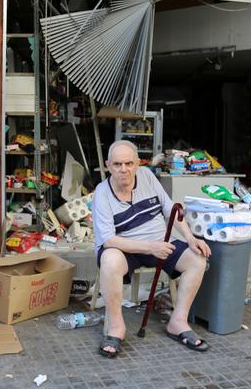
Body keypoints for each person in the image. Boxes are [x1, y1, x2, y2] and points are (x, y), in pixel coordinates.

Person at [92, 140, 212, 358]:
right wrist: (150, 248)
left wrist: (190, 237)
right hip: (125, 248)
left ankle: (178, 322)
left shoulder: (147, 176)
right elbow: (108, 239)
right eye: (117, 164)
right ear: (108, 165)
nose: (124, 170)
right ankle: (116, 328)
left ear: (138, 163)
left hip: (159, 241)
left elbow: (170, 210)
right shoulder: (102, 192)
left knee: (197, 259)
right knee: (109, 258)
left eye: (129, 163)